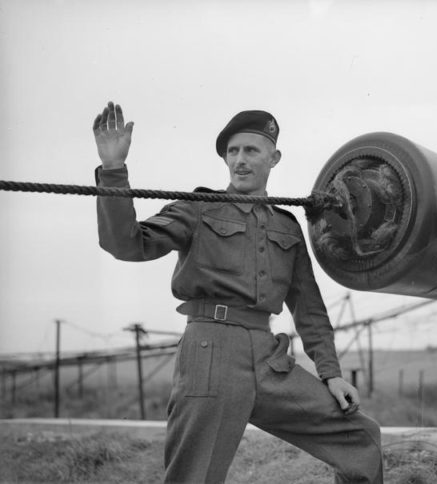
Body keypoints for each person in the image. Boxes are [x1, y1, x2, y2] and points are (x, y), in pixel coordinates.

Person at [92, 101, 384, 483]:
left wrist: (331, 374)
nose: (240, 160)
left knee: (360, 438)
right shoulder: (198, 209)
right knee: (193, 476)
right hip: (209, 355)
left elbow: (309, 309)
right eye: (232, 151)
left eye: (251, 150)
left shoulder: (288, 226)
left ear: (274, 157)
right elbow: (127, 244)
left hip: (269, 361)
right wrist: (114, 171)